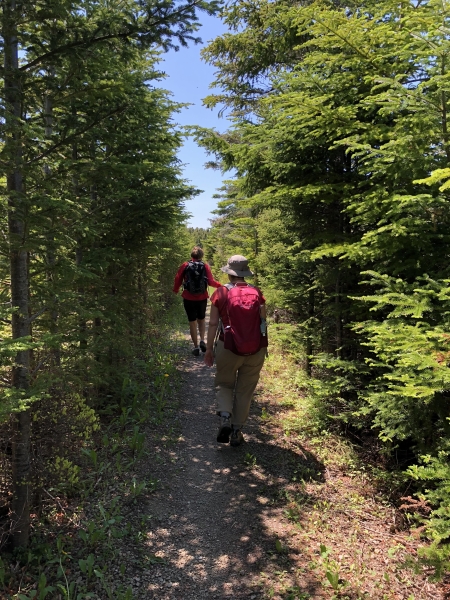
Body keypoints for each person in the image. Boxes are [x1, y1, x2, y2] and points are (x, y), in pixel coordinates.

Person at [204, 255, 267, 446]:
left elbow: (213, 324)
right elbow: (263, 322)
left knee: (224, 383)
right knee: (245, 390)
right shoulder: (257, 292)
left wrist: (209, 349)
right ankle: (236, 431)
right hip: (256, 349)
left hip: (228, 346)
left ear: (230, 273)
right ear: (245, 273)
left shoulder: (221, 293)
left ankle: (224, 417)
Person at [173, 246, 221, 356]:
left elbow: (178, 278)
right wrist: (220, 286)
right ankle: (202, 341)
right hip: (202, 298)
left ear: (191, 255)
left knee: (192, 322)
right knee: (202, 320)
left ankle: (195, 347)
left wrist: (175, 290)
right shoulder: (205, 266)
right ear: (201, 256)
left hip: (188, 298)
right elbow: (211, 281)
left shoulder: (185, 265)